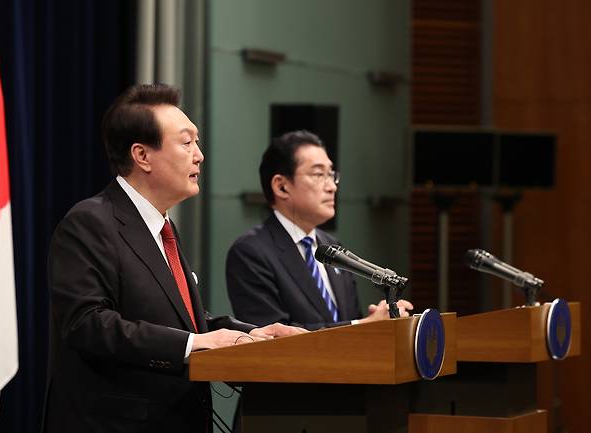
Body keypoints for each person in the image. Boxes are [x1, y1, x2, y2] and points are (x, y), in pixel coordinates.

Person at [42, 84, 304, 433]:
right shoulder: (90, 222)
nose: (199, 155)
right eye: (186, 142)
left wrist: (252, 334)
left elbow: (184, 322)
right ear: (142, 155)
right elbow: (87, 324)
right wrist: (195, 343)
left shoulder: (162, 227)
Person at [226, 130, 412, 330]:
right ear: (281, 187)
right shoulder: (250, 252)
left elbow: (350, 321)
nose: (332, 186)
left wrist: (375, 321)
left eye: (331, 174)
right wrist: (362, 324)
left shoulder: (333, 248)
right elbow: (272, 337)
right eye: (318, 174)